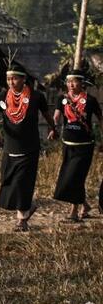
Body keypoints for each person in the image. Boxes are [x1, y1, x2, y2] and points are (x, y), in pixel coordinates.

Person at [0, 63, 56, 231]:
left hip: (29, 148)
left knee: (23, 183)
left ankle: (21, 220)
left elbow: (47, 116)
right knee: (8, 182)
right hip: (9, 148)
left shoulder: (36, 96)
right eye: (8, 78)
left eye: (15, 78)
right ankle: (28, 208)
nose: (11, 81)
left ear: (24, 79)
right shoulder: (2, 97)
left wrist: (54, 129)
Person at [53, 69, 101, 222]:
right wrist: (53, 129)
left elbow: (101, 119)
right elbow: (56, 116)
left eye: (75, 81)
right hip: (68, 144)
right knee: (70, 176)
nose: (71, 84)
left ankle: (73, 212)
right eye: (68, 81)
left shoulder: (91, 100)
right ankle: (85, 205)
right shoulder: (62, 99)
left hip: (85, 145)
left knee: (75, 177)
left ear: (82, 83)